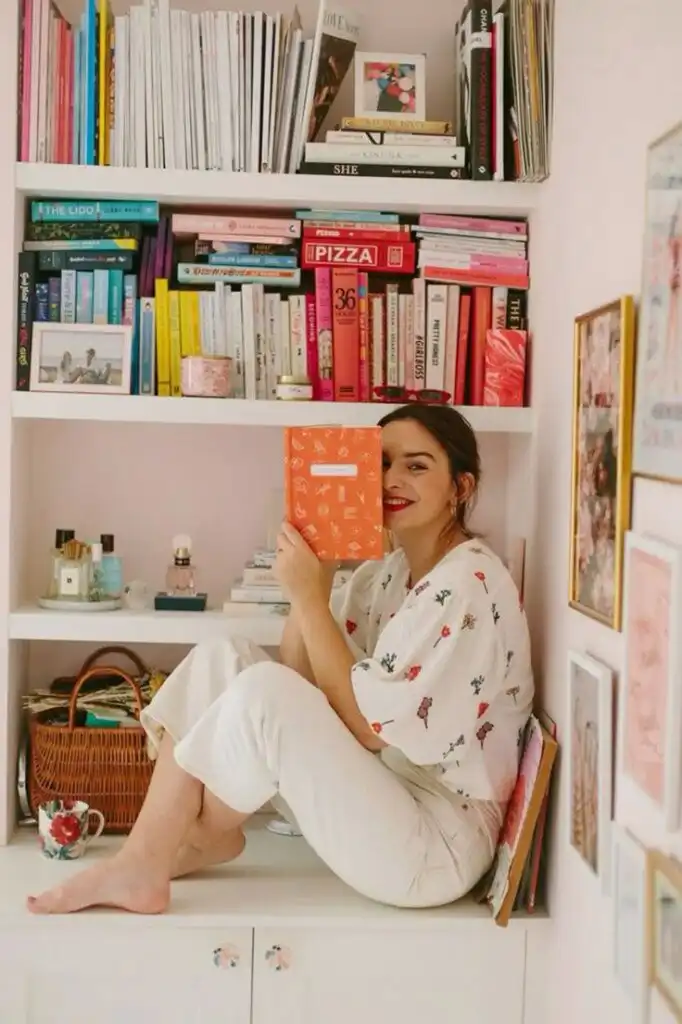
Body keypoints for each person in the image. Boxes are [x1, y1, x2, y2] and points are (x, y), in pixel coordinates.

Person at [27, 404, 534, 916]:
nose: (391, 480)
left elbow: (363, 728)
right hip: (381, 793)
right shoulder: (386, 574)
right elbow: (300, 677)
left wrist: (312, 598)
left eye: (417, 466)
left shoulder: (468, 583)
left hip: (434, 845)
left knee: (264, 690)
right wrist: (319, 571)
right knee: (224, 656)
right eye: (380, 463)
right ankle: (170, 847)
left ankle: (183, 842)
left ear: (461, 487)